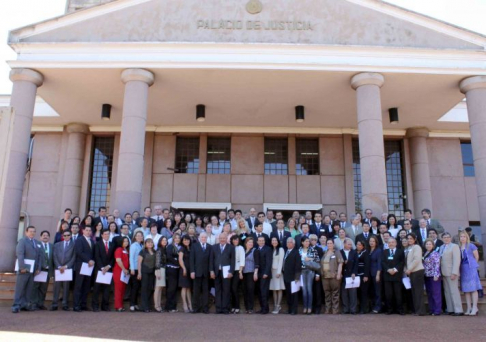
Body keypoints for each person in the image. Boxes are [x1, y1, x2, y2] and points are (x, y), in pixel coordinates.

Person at [12, 226, 41, 313]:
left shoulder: (36, 242)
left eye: (34, 231)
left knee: (29, 288)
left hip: (32, 270)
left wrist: (38, 268)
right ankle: (16, 305)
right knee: (20, 288)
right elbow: (20, 254)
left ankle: (25, 305)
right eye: (30, 231)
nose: (32, 233)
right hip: (24, 269)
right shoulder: (22, 241)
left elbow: (39, 256)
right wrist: (22, 267)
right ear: (26, 232)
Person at [210, 232, 235, 314]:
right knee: (217, 290)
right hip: (216, 272)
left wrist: (231, 271)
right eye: (221, 238)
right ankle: (218, 308)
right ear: (218, 239)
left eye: (224, 238)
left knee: (226, 290)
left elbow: (232, 261)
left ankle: (225, 308)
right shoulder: (214, 247)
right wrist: (211, 271)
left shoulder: (231, 247)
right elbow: (211, 261)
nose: (222, 239)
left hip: (226, 272)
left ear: (226, 238)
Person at [51, 229, 75, 311]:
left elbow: (73, 257)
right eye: (65, 235)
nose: (66, 237)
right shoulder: (57, 245)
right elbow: (54, 256)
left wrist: (66, 266)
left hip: (67, 269)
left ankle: (65, 304)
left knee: (66, 287)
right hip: (58, 269)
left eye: (68, 235)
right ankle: (54, 304)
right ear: (62, 236)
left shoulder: (74, 245)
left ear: (71, 236)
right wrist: (58, 266)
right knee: (56, 287)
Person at [440, 232, 463, 316]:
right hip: (444, 272)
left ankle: (458, 310)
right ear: (442, 238)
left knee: (454, 291)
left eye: (448, 237)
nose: (446, 239)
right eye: (444, 237)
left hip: (451, 272)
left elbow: (457, 260)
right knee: (447, 291)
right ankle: (450, 309)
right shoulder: (441, 247)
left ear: (450, 238)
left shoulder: (454, 246)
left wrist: (454, 272)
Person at [459, 231, 481, 316]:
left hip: (471, 268)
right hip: (463, 269)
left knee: (473, 288)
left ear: (467, 237)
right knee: (466, 290)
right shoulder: (459, 247)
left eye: (464, 236)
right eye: (461, 236)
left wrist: (474, 266)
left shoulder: (471, 245)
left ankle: (475, 307)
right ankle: (469, 307)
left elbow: (476, 257)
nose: (463, 238)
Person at [73, 226, 95, 312]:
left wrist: (92, 261)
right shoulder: (79, 240)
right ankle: (76, 305)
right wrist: (88, 260)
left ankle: (83, 304)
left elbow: (92, 253)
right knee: (78, 286)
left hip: (89, 267)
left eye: (90, 230)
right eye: (87, 230)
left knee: (86, 286)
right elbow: (79, 252)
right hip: (81, 265)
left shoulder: (92, 242)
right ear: (83, 231)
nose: (88, 232)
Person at [92, 229, 114, 312]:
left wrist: (108, 266)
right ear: (102, 235)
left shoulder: (112, 244)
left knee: (107, 289)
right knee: (97, 289)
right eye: (105, 234)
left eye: (108, 234)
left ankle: (105, 306)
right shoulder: (98, 244)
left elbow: (113, 258)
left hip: (108, 269)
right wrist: (102, 268)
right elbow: (96, 256)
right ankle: (95, 306)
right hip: (99, 270)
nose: (107, 235)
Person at [381, 237, 404, 315]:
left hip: (397, 275)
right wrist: (388, 270)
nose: (391, 244)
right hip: (387, 275)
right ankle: (389, 309)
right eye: (389, 242)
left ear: (396, 243)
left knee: (398, 294)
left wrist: (395, 269)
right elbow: (383, 262)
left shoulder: (400, 252)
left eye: (392, 242)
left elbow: (402, 262)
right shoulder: (384, 252)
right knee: (388, 294)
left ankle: (399, 309)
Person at [320, 239, 343, 315]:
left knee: (335, 293)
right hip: (325, 276)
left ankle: (335, 310)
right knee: (327, 293)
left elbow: (340, 263)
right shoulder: (325, 253)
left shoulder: (337, 252)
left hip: (334, 275)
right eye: (328, 243)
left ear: (333, 244)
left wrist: (339, 273)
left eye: (330, 243)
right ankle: (327, 309)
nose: (329, 244)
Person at [190, 232, 212, 314]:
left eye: (205, 237)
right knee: (196, 291)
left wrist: (211, 271)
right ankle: (196, 308)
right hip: (196, 272)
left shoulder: (210, 247)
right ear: (199, 238)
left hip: (206, 273)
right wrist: (192, 271)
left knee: (206, 291)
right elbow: (192, 260)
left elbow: (211, 260)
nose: (203, 239)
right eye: (202, 237)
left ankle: (205, 308)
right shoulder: (194, 246)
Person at [32, 230, 54, 311]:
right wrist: (36, 268)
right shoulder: (37, 245)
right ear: (40, 237)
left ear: (49, 237)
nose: (45, 236)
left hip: (48, 271)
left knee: (44, 288)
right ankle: (34, 303)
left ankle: (41, 303)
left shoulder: (52, 246)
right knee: (36, 287)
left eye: (47, 235)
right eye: (43, 235)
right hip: (39, 270)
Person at [404, 233, 425, 316]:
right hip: (412, 272)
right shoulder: (409, 248)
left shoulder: (417, 247)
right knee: (414, 292)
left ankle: (421, 311)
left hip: (417, 271)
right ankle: (417, 310)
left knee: (418, 292)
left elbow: (416, 260)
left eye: (411, 238)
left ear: (414, 239)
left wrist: (409, 269)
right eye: (408, 238)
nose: (409, 240)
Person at [299, 236, 320, 314]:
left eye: (308, 241)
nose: (307, 243)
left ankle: (309, 307)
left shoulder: (313, 250)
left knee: (309, 289)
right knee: (304, 290)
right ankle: (305, 307)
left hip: (310, 270)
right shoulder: (299, 250)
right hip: (302, 271)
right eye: (306, 241)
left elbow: (318, 260)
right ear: (302, 242)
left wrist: (310, 259)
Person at [423, 239, 442, 316]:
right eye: (427, 244)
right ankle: (431, 309)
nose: (428, 245)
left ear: (433, 245)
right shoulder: (425, 253)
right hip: (426, 276)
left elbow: (437, 264)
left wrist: (436, 275)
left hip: (434, 276)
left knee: (436, 293)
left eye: (430, 244)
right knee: (429, 293)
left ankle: (437, 310)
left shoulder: (435, 253)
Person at [255, 235, 272, 314]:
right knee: (259, 292)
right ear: (257, 242)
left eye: (263, 240)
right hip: (258, 274)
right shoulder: (256, 249)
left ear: (264, 241)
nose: (261, 242)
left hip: (264, 274)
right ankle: (262, 308)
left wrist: (266, 273)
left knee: (264, 291)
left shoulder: (268, 249)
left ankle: (265, 309)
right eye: (260, 240)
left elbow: (269, 262)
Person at [137, 238, 156, 313]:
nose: (150, 244)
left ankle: (148, 305)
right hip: (144, 272)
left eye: (151, 242)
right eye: (148, 243)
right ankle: (144, 307)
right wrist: (139, 273)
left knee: (150, 289)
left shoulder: (154, 251)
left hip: (152, 272)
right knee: (144, 289)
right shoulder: (142, 251)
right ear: (145, 244)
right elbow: (139, 263)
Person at [341, 238, 358, 314]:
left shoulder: (354, 252)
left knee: (353, 293)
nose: (350, 246)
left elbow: (356, 264)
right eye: (348, 244)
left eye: (351, 244)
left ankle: (353, 309)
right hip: (343, 275)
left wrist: (354, 272)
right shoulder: (340, 252)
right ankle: (346, 309)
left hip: (352, 275)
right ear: (344, 244)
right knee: (344, 293)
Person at [242, 237, 259, 314]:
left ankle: (251, 308)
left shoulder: (255, 251)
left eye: (252, 242)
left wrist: (255, 273)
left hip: (251, 273)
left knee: (250, 290)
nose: (251, 244)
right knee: (245, 291)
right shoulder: (243, 251)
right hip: (243, 273)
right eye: (249, 242)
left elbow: (257, 263)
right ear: (246, 243)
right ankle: (246, 307)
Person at [113, 236, 130, 312]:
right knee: (118, 289)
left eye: (127, 241)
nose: (126, 242)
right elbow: (118, 260)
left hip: (125, 272)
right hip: (119, 271)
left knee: (123, 289)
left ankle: (121, 305)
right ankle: (118, 306)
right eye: (124, 241)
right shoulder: (119, 249)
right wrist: (124, 269)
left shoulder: (126, 250)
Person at [166, 234, 181, 312]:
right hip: (171, 269)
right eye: (176, 238)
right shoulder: (170, 246)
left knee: (174, 288)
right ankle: (169, 306)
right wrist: (177, 262)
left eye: (179, 238)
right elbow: (169, 256)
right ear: (173, 239)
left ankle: (173, 306)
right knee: (171, 288)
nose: (177, 239)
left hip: (177, 269)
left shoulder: (180, 247)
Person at [129, 231, 144, 312]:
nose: (139, 237)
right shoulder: (133, 245)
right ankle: (131, 304)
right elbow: (131, 257)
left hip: (140, 269)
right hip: (134, 268)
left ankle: (135, 304)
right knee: (134, 287)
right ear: (135, 237)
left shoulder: (142, 245)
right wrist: (131, 268)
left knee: (137, 287)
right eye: (138, 236)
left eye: (141, 236)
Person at [269, 237, 285, 314]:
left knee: (279, 288)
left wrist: (279, 272)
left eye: (275, 240)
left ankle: (278, 305)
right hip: (272, 271)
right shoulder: (271, 250)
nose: (274, 241)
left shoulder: (281, 249)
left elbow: (281, 261)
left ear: (278, 242)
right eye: (273, 240)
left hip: (278, 271)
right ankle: (275, 305)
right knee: (274, 289)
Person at [229, 235, 245, 314]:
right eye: (234, 240)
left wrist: (240, 272)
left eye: (237, 240)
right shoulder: (230, 247)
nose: (235, 241)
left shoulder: (240, 248)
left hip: (237, 270)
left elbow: (242, 260)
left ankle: (237, 306)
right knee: (230, 289)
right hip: (230, 270)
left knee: (234, 288)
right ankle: (232, 306)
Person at [178, 235, 193, 313]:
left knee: (188, 288)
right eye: (184, 240)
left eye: (187, 240)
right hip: (184, 270)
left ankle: (190, 304)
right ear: (182, 241)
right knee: (184, 287)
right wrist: (184, 268)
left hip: (190, 270)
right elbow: (180, 259)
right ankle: (184, 305)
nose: (186, 241)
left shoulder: (190, 248)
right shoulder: (182, 249)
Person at [356, 240, 370, 314]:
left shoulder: (365, 253)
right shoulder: (355, 252)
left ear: (363, 246)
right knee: (358, 292)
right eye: (357, 244)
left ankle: (363, 308)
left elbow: (367, 265)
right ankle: (358, 307)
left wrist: (366, 275)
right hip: (356, 275)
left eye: (360, 245)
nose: (358, 246)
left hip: (363, 275)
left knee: (363, 292)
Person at [154, 236, 168, 312]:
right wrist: (157, 271)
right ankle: (156, 306)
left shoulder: (164, 249)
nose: (164, 241)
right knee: (158, 288)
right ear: (160, 241)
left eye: (165, 240)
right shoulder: (159, 250)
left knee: (161, 288)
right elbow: (157, 261)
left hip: (163, 269)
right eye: (163, 240)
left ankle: (159, 305)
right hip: (160, 269)